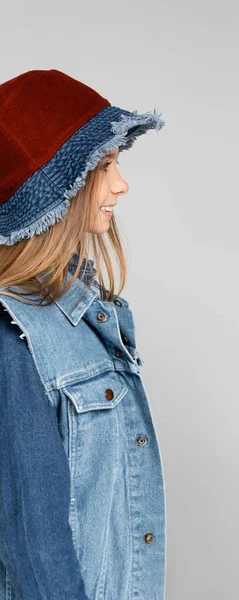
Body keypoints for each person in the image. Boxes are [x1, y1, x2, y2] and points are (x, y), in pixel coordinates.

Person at [0, 69, 165, 600]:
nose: (122, 184)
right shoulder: (14, 335)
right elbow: (35, 544)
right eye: (107, 167)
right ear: (56, 188)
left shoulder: (88, 312)